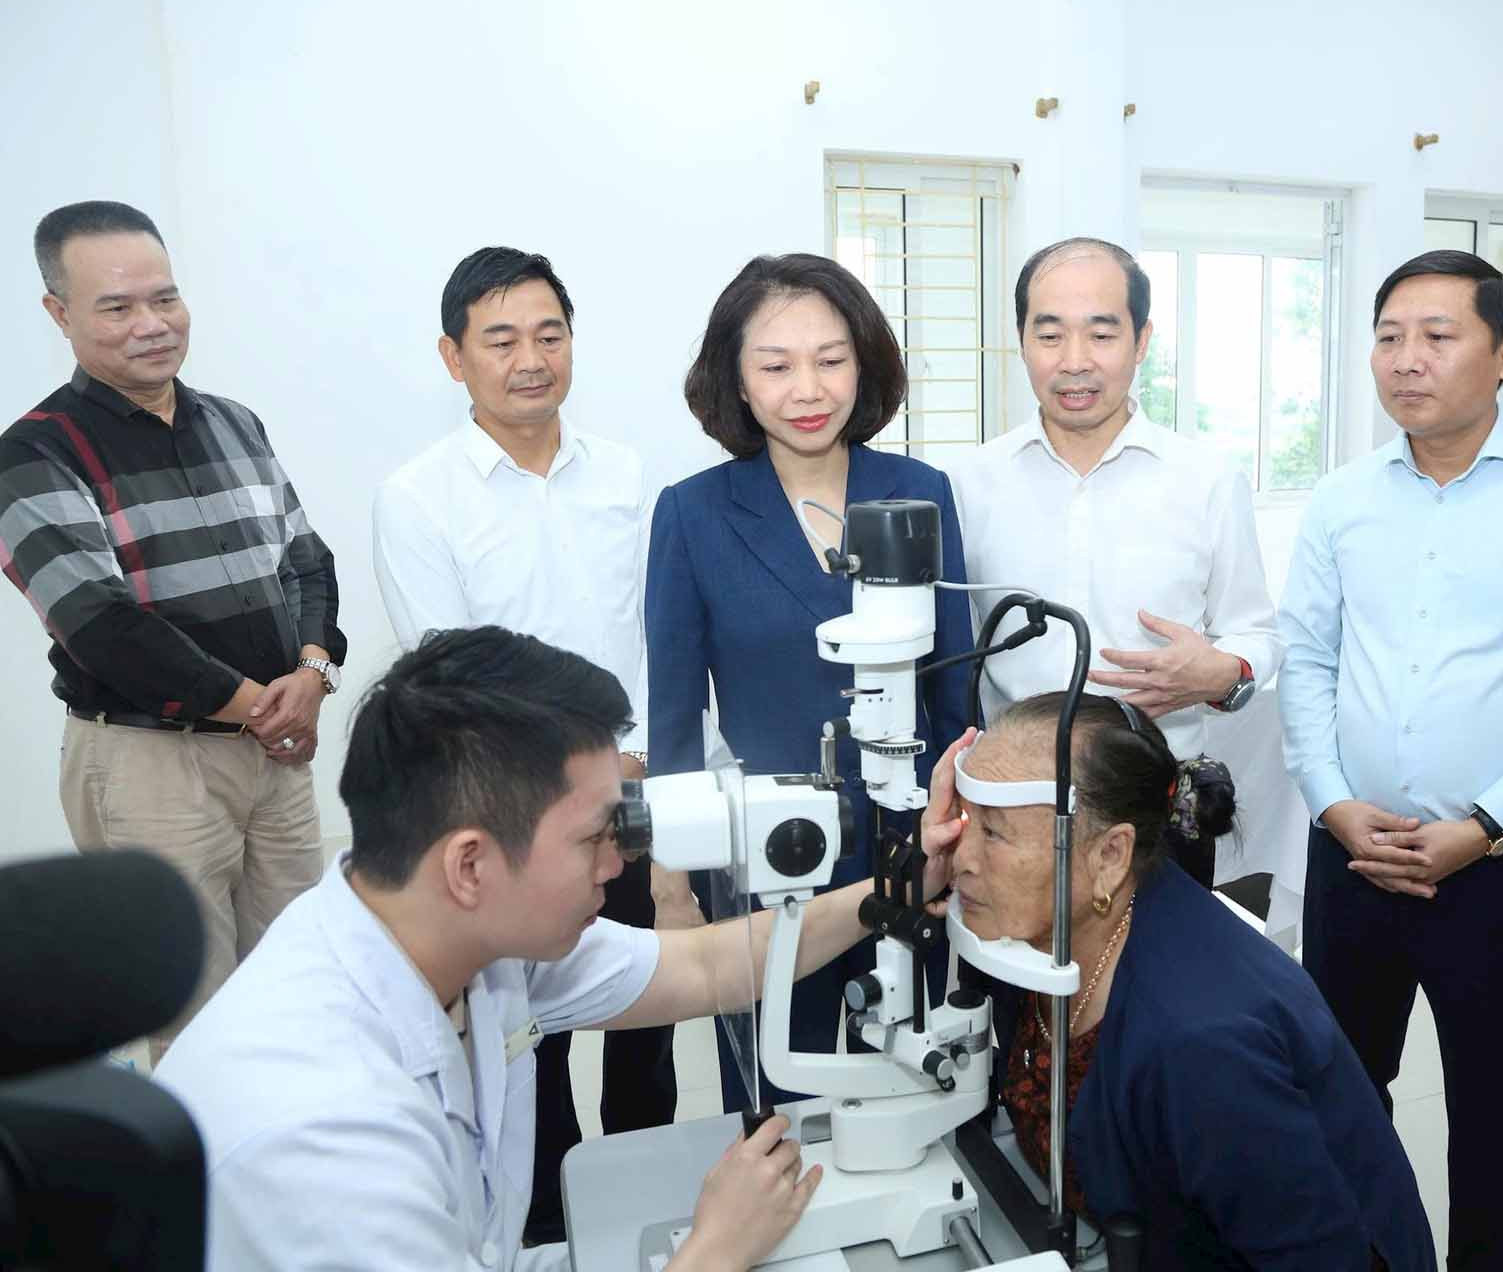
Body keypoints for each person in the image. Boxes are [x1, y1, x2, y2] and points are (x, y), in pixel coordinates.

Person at [155, 625, 947, 1271]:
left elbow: (705, 967)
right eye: (596, 836)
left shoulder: (458, 937)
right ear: (471, 863)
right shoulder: (329, 1140)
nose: (621, 859)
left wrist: (899, 889)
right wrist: (714, 1251)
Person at [1277, 249, 1503, 1270]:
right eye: (1389, 336)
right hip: (1353, 853)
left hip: (1496, 865)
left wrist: (1484, 826)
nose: (1405, 359)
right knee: (1342, 1099)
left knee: (1491, 1113)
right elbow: (1304, 656)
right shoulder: (1343, 498)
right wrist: (1334, 802)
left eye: (1438, 335)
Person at [372, 246, 688, 1244]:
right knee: (527, 1043)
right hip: (508, 814)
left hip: (632, 794)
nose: (530, 358)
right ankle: (549, 1237)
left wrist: (629, 764)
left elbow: (658, 630)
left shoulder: (631, 477)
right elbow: (450, 673)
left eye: (549, 334)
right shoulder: (419, 497)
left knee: (647, 1012)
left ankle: (655, 1217)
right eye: (500, 338)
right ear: (453, 356)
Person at [0, 201, 347, 1061]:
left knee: (308, 995)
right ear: (60, 314)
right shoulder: (34, 453)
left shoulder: (233, 420)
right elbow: (101, 627)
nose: (151, 325)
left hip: (277, 753)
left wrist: (312, 672)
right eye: (117, 307)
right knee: (199, 1025)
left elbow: (308, 561)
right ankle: (219, 1200)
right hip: (155, 766)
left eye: (165, 297)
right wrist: (258, 708)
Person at [924, 693, 1435, 1270]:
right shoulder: (1050, 933)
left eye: (993, 833)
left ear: (1110, 856)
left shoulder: (1201, 1044)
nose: (959, 857)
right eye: (964, 819)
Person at [646, 252, 973, 1109]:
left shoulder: (920, 491)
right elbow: (674, 714)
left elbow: (956, 692)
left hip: (916, 849)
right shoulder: (694, 513)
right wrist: (669, 881)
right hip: (772, 858)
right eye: (776, 365)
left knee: (915, 1078)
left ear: (863, 363)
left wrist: (967, 839)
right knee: (773, 1099)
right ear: (737, 382)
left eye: (830, 359)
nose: (807, 388)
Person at [948, 236, 1279, 761]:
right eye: (1051, 335)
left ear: (1142, 340)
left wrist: (1223, 672)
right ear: (1021, 340)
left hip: (1158, 794)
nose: (1075, 361)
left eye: (1102, 334)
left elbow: (1254, 631)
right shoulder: (966, 482)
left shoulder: (1207, 479)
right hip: (1010, 793)